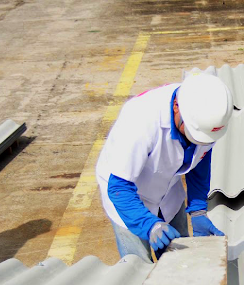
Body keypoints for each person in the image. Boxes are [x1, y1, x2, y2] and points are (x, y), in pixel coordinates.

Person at [96, 74, 233, 262]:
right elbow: (119, 187)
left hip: (167, 190)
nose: (199, 141)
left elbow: (200, 160)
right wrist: (149, 225)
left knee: (180, 261)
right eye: (194, 134)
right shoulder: (139, 121)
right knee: (139, 270)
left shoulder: (205, 116)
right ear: (176, 107)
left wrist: (198, 208)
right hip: (126, 196)